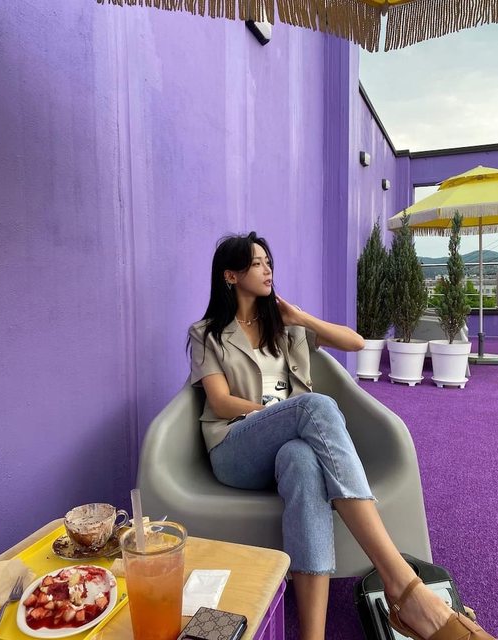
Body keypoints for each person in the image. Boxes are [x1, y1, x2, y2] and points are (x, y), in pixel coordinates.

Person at [188, 231, 494, 640]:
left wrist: (301, 319)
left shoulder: (285, 327)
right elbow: (221, 402)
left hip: (286, 449)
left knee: (302, 460)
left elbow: (355, 342)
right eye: (256, 263)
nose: (267, 270)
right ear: (231, 275)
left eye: (268, 262)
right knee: (314, 406)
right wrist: (282, 414)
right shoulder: (207, 333)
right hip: (236, 448)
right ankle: (403, 584)